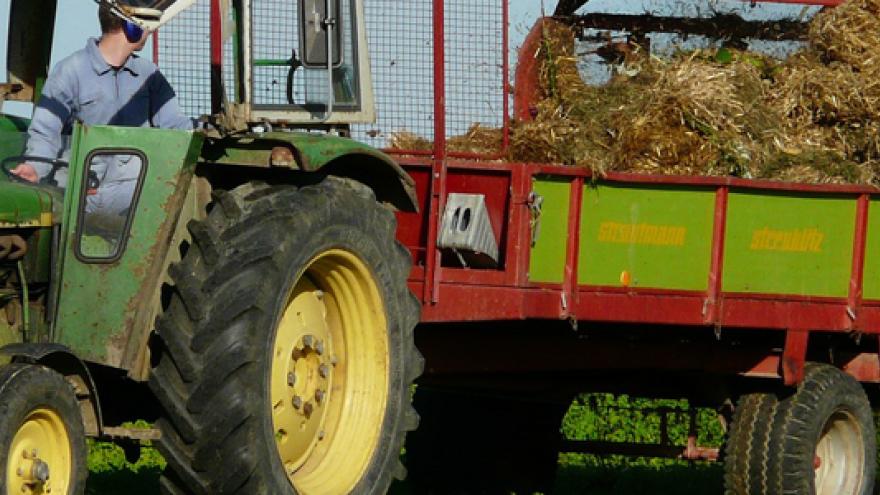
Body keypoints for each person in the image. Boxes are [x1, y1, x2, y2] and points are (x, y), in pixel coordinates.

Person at [12, 4, 194, 216]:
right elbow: (46, 130)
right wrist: (34, 167)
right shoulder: (71, 71)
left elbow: (175, 125)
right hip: (83, 195)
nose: (150, 32)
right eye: (147, 25)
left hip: (132, 192)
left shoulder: (149, 75)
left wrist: (204, 129)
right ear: (131, 27)